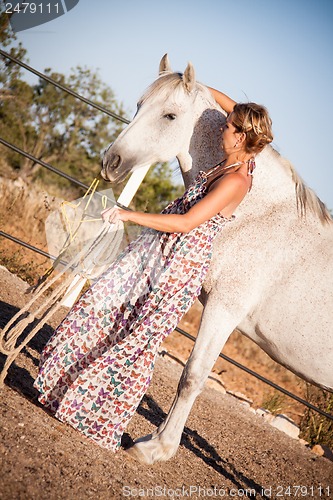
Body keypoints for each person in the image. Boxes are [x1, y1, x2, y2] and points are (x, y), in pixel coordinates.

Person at [34, 88, 273, 452]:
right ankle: (64, 389)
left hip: (178, 266)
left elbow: (187, 223)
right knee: (103, 305)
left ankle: (94, 418)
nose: (220, 129)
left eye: (228, 127)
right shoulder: (238, 158)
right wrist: (198, 88)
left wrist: (128, 214)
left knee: (135, 339)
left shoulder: (238, 180)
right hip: (161, 253)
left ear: (241, 136)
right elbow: (235, 109)